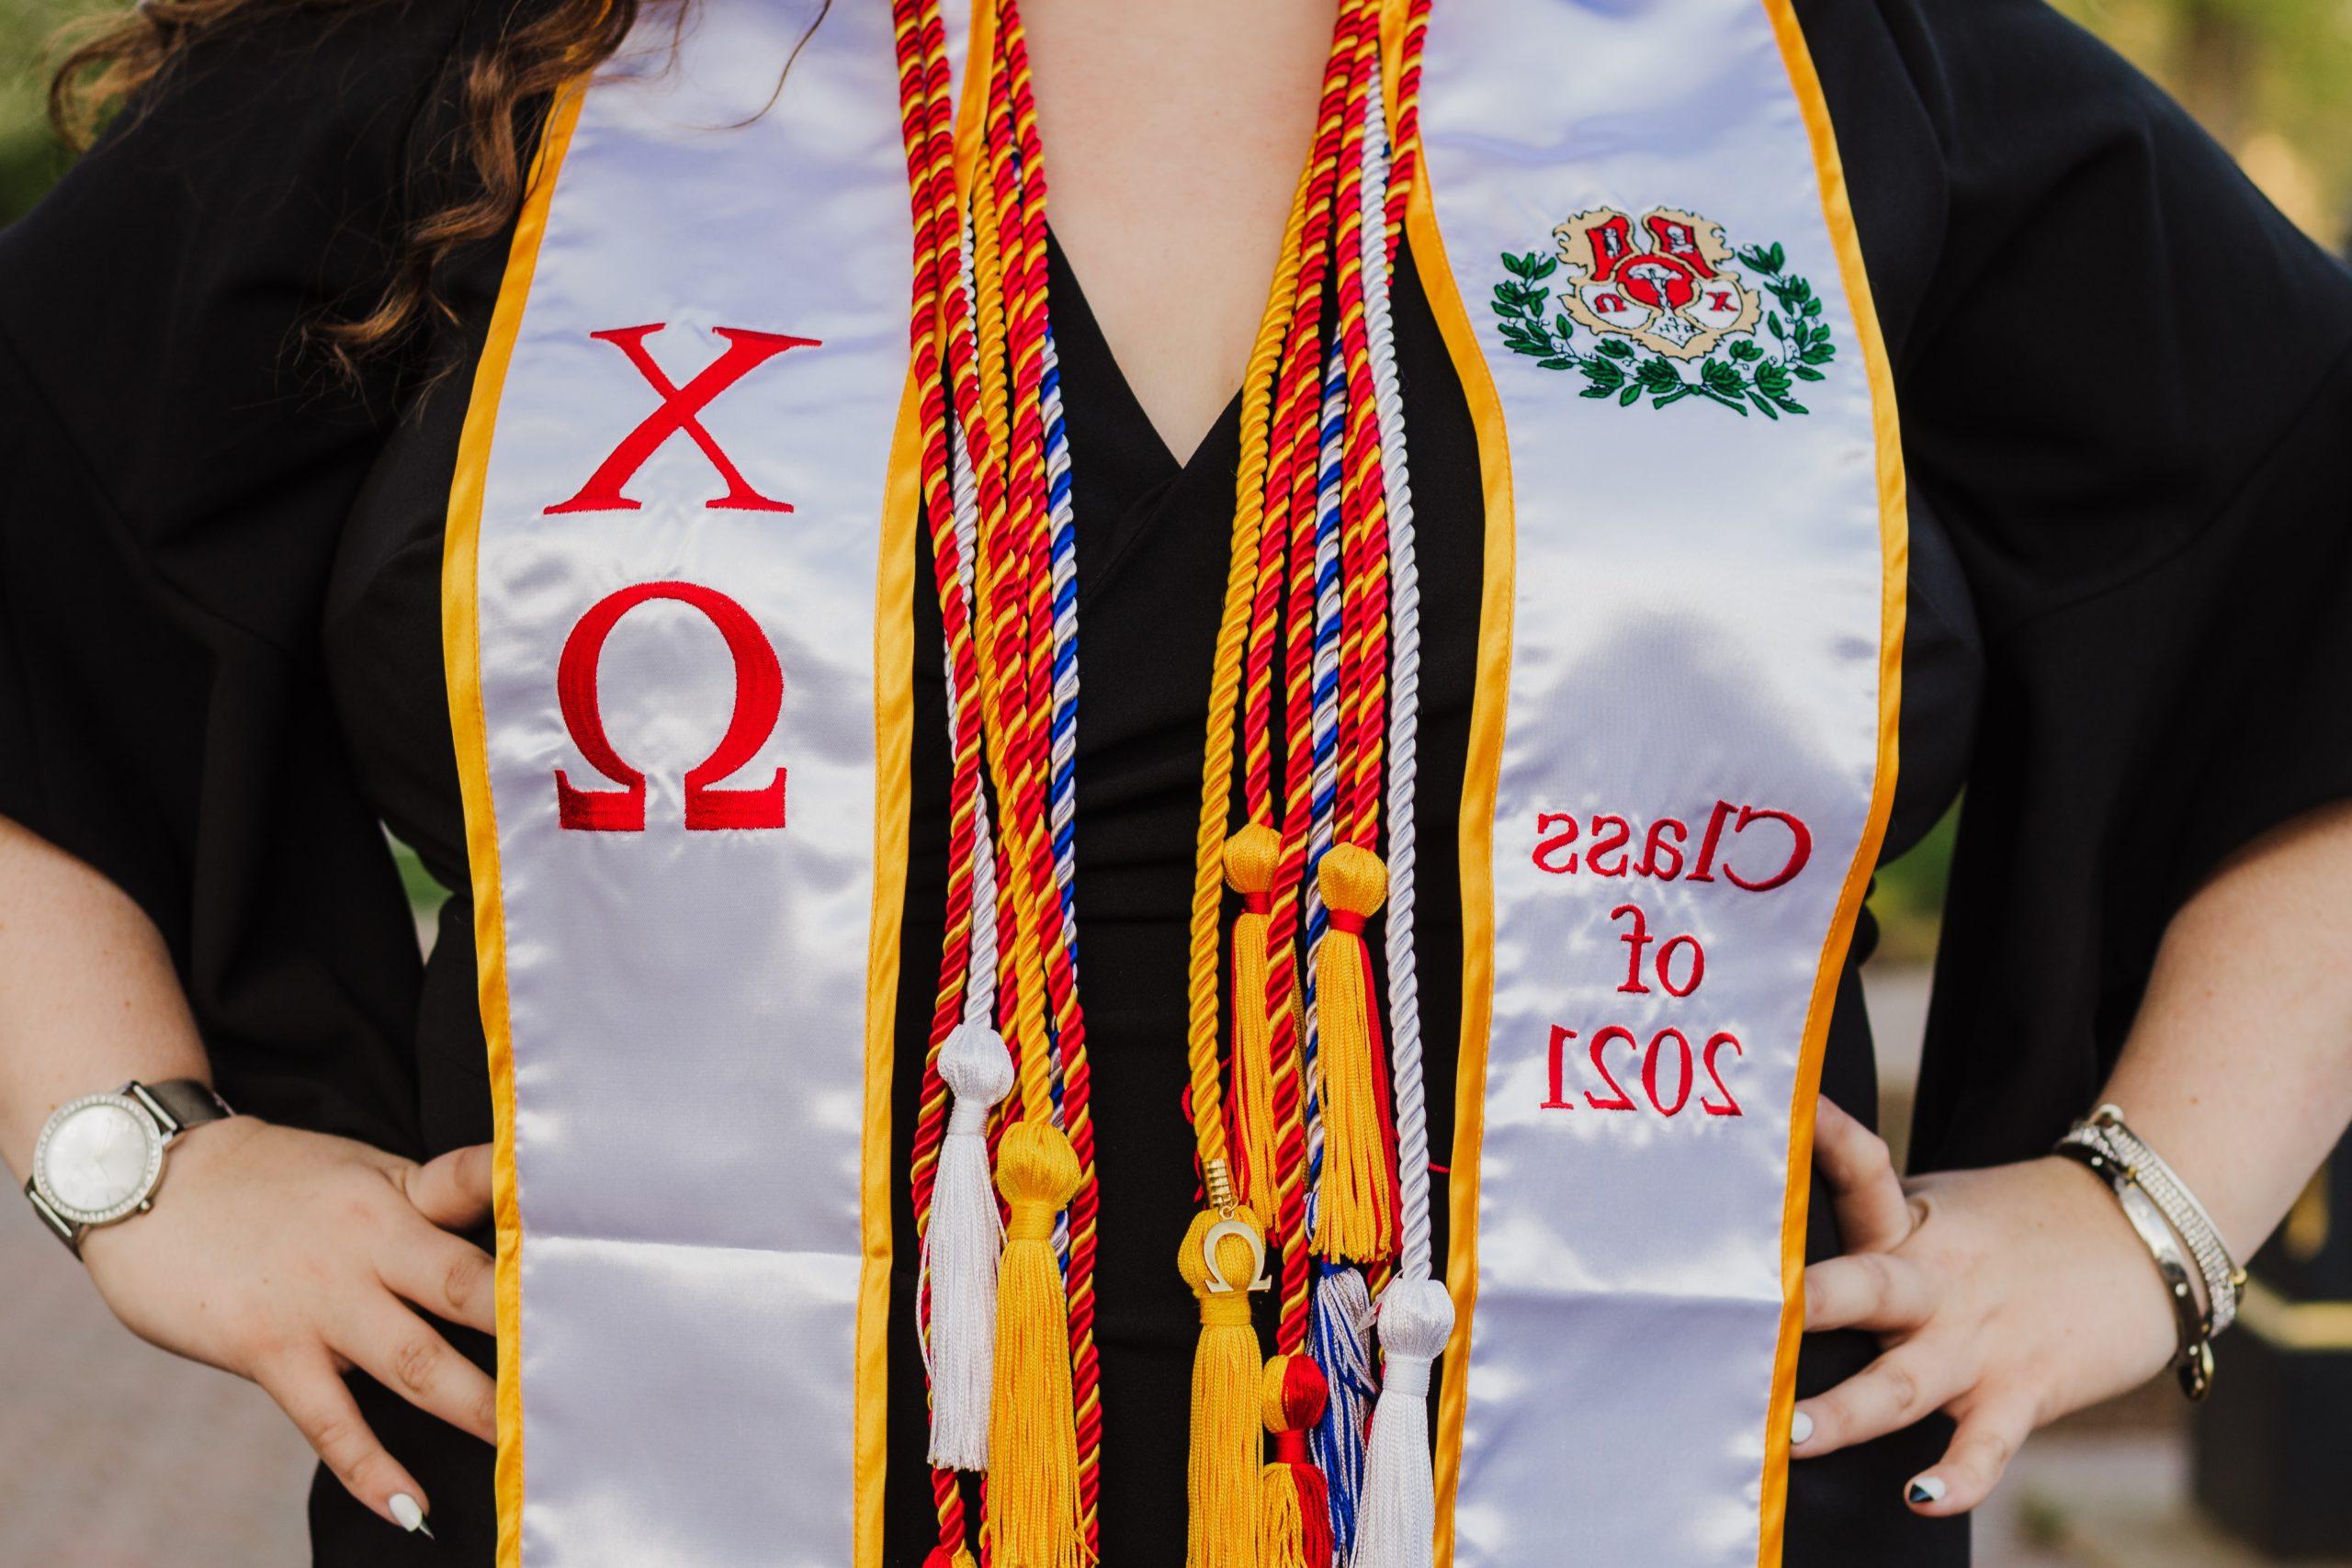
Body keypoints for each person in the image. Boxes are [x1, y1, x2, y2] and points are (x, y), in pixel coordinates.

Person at [3, 0, 2349, 1564]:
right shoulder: (520, 54)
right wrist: (140, 1169)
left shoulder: (1787, 70)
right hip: (646, 1476)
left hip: (1635, 1480)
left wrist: (2148, 1214)